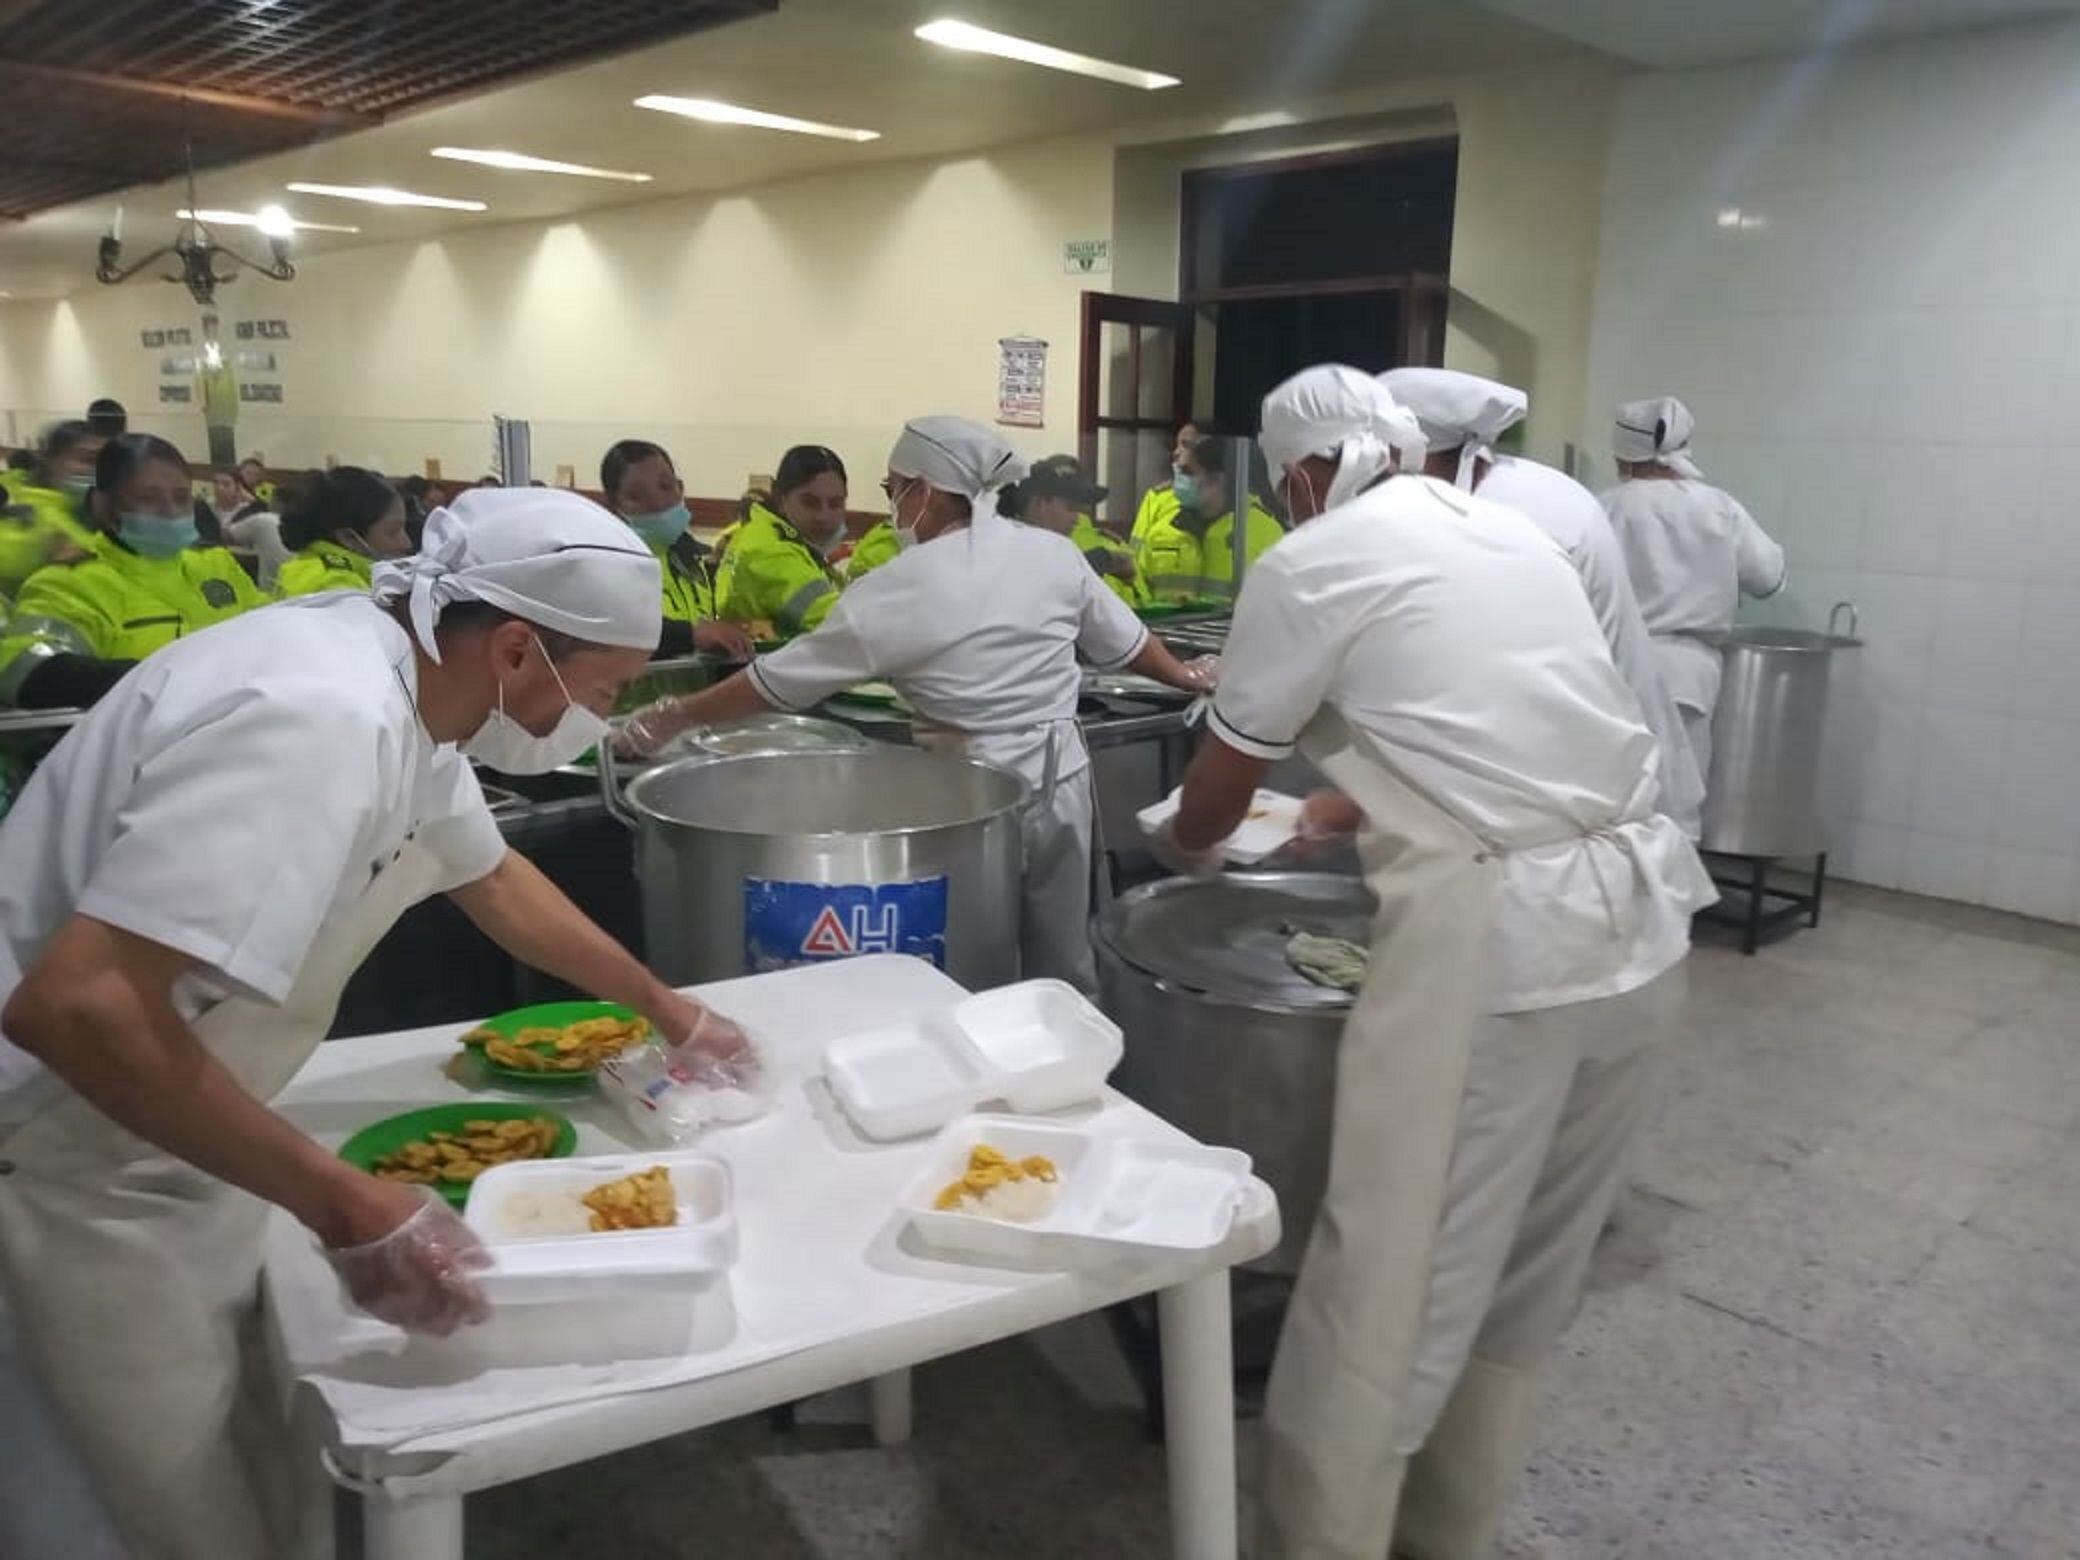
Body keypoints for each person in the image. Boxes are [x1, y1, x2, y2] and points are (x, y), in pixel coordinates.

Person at [0, 487, 758, 1560]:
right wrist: (350, 1204)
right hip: (61, 1151)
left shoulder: (406, 692)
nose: (595, 719)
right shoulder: (315, 715)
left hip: (174, 1134)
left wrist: (669, 1010)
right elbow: (82, 1008)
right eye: (606, 688)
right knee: (147, 1503)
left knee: (251, 1462)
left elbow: (494, 881)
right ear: (513, 651)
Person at [1153, 365, 1714, 1560]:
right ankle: (1445, 1533)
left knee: (1391, 1275)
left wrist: (1185, 849)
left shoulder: (1311, 559)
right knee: (1523, 1276)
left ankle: (1326, 1542)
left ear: (1300, 472)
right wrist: (1347, 811)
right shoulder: (1510, 534)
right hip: (1645, 924)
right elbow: (1506, 727)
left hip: (1502, 943)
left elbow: (1220, 780)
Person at [623, 416, 1216, 992]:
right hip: (1062, 777)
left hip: (968, 795)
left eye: (891, 490)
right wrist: (1188, 676)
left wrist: (672, 717)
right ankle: (1065, 1061)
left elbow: (776, 682)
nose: (891, 505)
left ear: (924, 491)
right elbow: (1130, 644)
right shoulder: (1052, 553)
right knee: (1063, 957)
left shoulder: (898, 585)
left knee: (976, 956)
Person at [1382, 367, 1707, 839]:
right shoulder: (1512, 489)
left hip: (1598, 778)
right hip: (1587, 762)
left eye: (1387, 466)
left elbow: (1489, 677)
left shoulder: (1519, 517)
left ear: (1417, 456)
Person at [0, 434, 264, 709]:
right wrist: (163, 682)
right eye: (148, 498)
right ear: (104, 506)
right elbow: (26, 667)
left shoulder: (217, 567)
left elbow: (270, 629)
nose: (169, 511)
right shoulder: (72, 583)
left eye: (181, 497)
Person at [1603, 396, 1787, 788]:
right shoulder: (1719, 508)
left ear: (1622, 456)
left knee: (1616, 797)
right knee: (1678, 801)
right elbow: (1770, 578)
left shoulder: (1604, 508)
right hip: (1688, 676)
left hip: (1616, 668)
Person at [596, 440, 752, 660]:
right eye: (635, 496)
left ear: (681, 488)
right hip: (637, 693)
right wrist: (691, 635)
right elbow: (615, 631)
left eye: (665, 486)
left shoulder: (690, 556)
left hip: (689, 690)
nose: (658, 503)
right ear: (614, 505)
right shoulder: (606, 563)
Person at [715, 444, 851, 636]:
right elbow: (837, 621)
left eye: (835, 504)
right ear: (781, 499)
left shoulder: (800, 548)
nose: (823, 516)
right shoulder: (766, 549)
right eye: (810, 502)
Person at [1135, 432, 1284, 602]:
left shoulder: (1264, 533)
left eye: (1188, 472)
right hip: (1165, 629)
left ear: (1215, 481)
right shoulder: (1162, 531)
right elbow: (1139, 595)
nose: (1178, 479)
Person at [1006, 454, 1148, 606]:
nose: (1077, 519)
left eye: (1081, 509)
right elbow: (1040, 583)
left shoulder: (1101, 544)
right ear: (1040, 503)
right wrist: (1103, 560)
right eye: (1071, 507)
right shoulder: (1003, 545)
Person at [274, 466, 414, 596]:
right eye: (393, 531)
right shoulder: (337, 587)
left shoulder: (308, 566)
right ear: (349, 538)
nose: (407, 543)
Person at [1, 422, 106, 586]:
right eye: (88, 459)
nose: (97, 470)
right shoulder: (22, 511)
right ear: (51, 460)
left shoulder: (86, 511)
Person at [1128, 418, 1202, 546]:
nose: (1176, 452)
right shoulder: (1157, 497)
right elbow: (1135, 550)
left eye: (1186, 445)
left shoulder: (1234, 502)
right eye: (1177, 445)